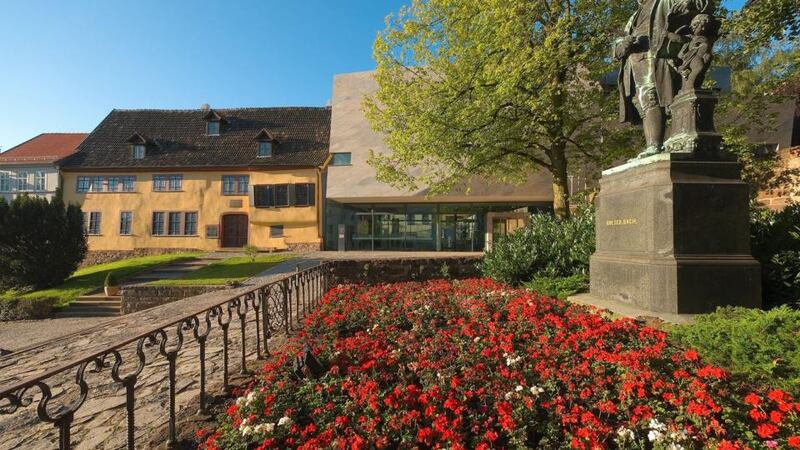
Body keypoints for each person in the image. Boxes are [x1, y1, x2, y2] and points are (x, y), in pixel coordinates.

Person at [615, 0, 712, 158]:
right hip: (633, 64)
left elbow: (703, 3)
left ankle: (655, 145)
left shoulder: (665, 1)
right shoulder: (634, 16)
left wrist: (689, 2)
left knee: (651, 97)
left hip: (655, 59)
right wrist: (621, 46)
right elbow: (620, 42)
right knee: (642, 103)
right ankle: (651, 146)